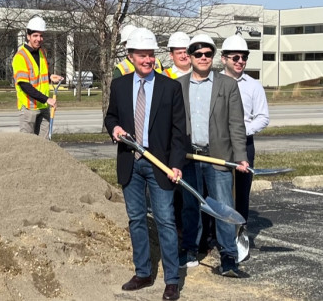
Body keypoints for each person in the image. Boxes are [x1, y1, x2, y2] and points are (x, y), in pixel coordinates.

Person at [104, 27, 186, 301]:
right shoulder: (119, 85)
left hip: (159, 164)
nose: (148, 60)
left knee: (165, 220)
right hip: (131, 163)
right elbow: (110, 116)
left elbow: (178, 132)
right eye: (142, 55)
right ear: (131, 56)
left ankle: (172, 280)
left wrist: (175, 164)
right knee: (136, 219)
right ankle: (143, 273)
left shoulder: (170, 87)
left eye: (151, 55)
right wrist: (114, 128)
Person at [176, 34, 249, 277]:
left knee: (223, 208)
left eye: (208, 54)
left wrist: (240, 157)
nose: (204, 57)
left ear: (213, 56)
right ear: (190, 56)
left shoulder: (227, 85)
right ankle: (189, 249)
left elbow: (236, 124)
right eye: (199, 54)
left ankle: (229, 256)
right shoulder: (179, 85)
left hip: (217, 157)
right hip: (189, 158)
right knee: (190, 206)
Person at [220, 35, 269, 223]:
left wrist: (242, 131)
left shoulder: (254, 86)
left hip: (244, 143)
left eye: (244, 57)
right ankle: (214, 234)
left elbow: (263, 117)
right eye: (236, 57)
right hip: (219, 144)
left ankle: (240, 230)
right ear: (224, 59)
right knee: (218, 190)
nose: (241, 61)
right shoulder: (214, 82)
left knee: (241, 192)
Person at [12, 16, 63, 138]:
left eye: (41, 36)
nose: (38, 39)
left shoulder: (42, 52)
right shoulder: (20, 57)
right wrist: (47, 99)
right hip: (29, 108)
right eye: (35, 35)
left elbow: (38, 73)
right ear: (28, 36)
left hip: (44, 107)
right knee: (27, 145)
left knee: (44, 145)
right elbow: (24, 85)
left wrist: (50, 77)